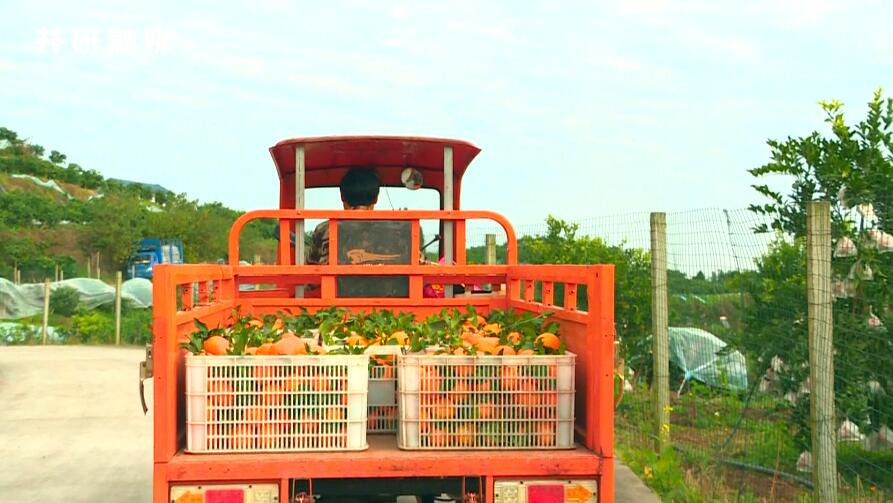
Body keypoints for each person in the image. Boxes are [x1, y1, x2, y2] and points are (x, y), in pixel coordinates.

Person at [307, 167, 380, 265]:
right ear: (376, 198)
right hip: (386, 280)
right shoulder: (396, 229)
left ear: (342, 196)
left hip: (334, 281)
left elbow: (311, 263)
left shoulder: (324, 229)